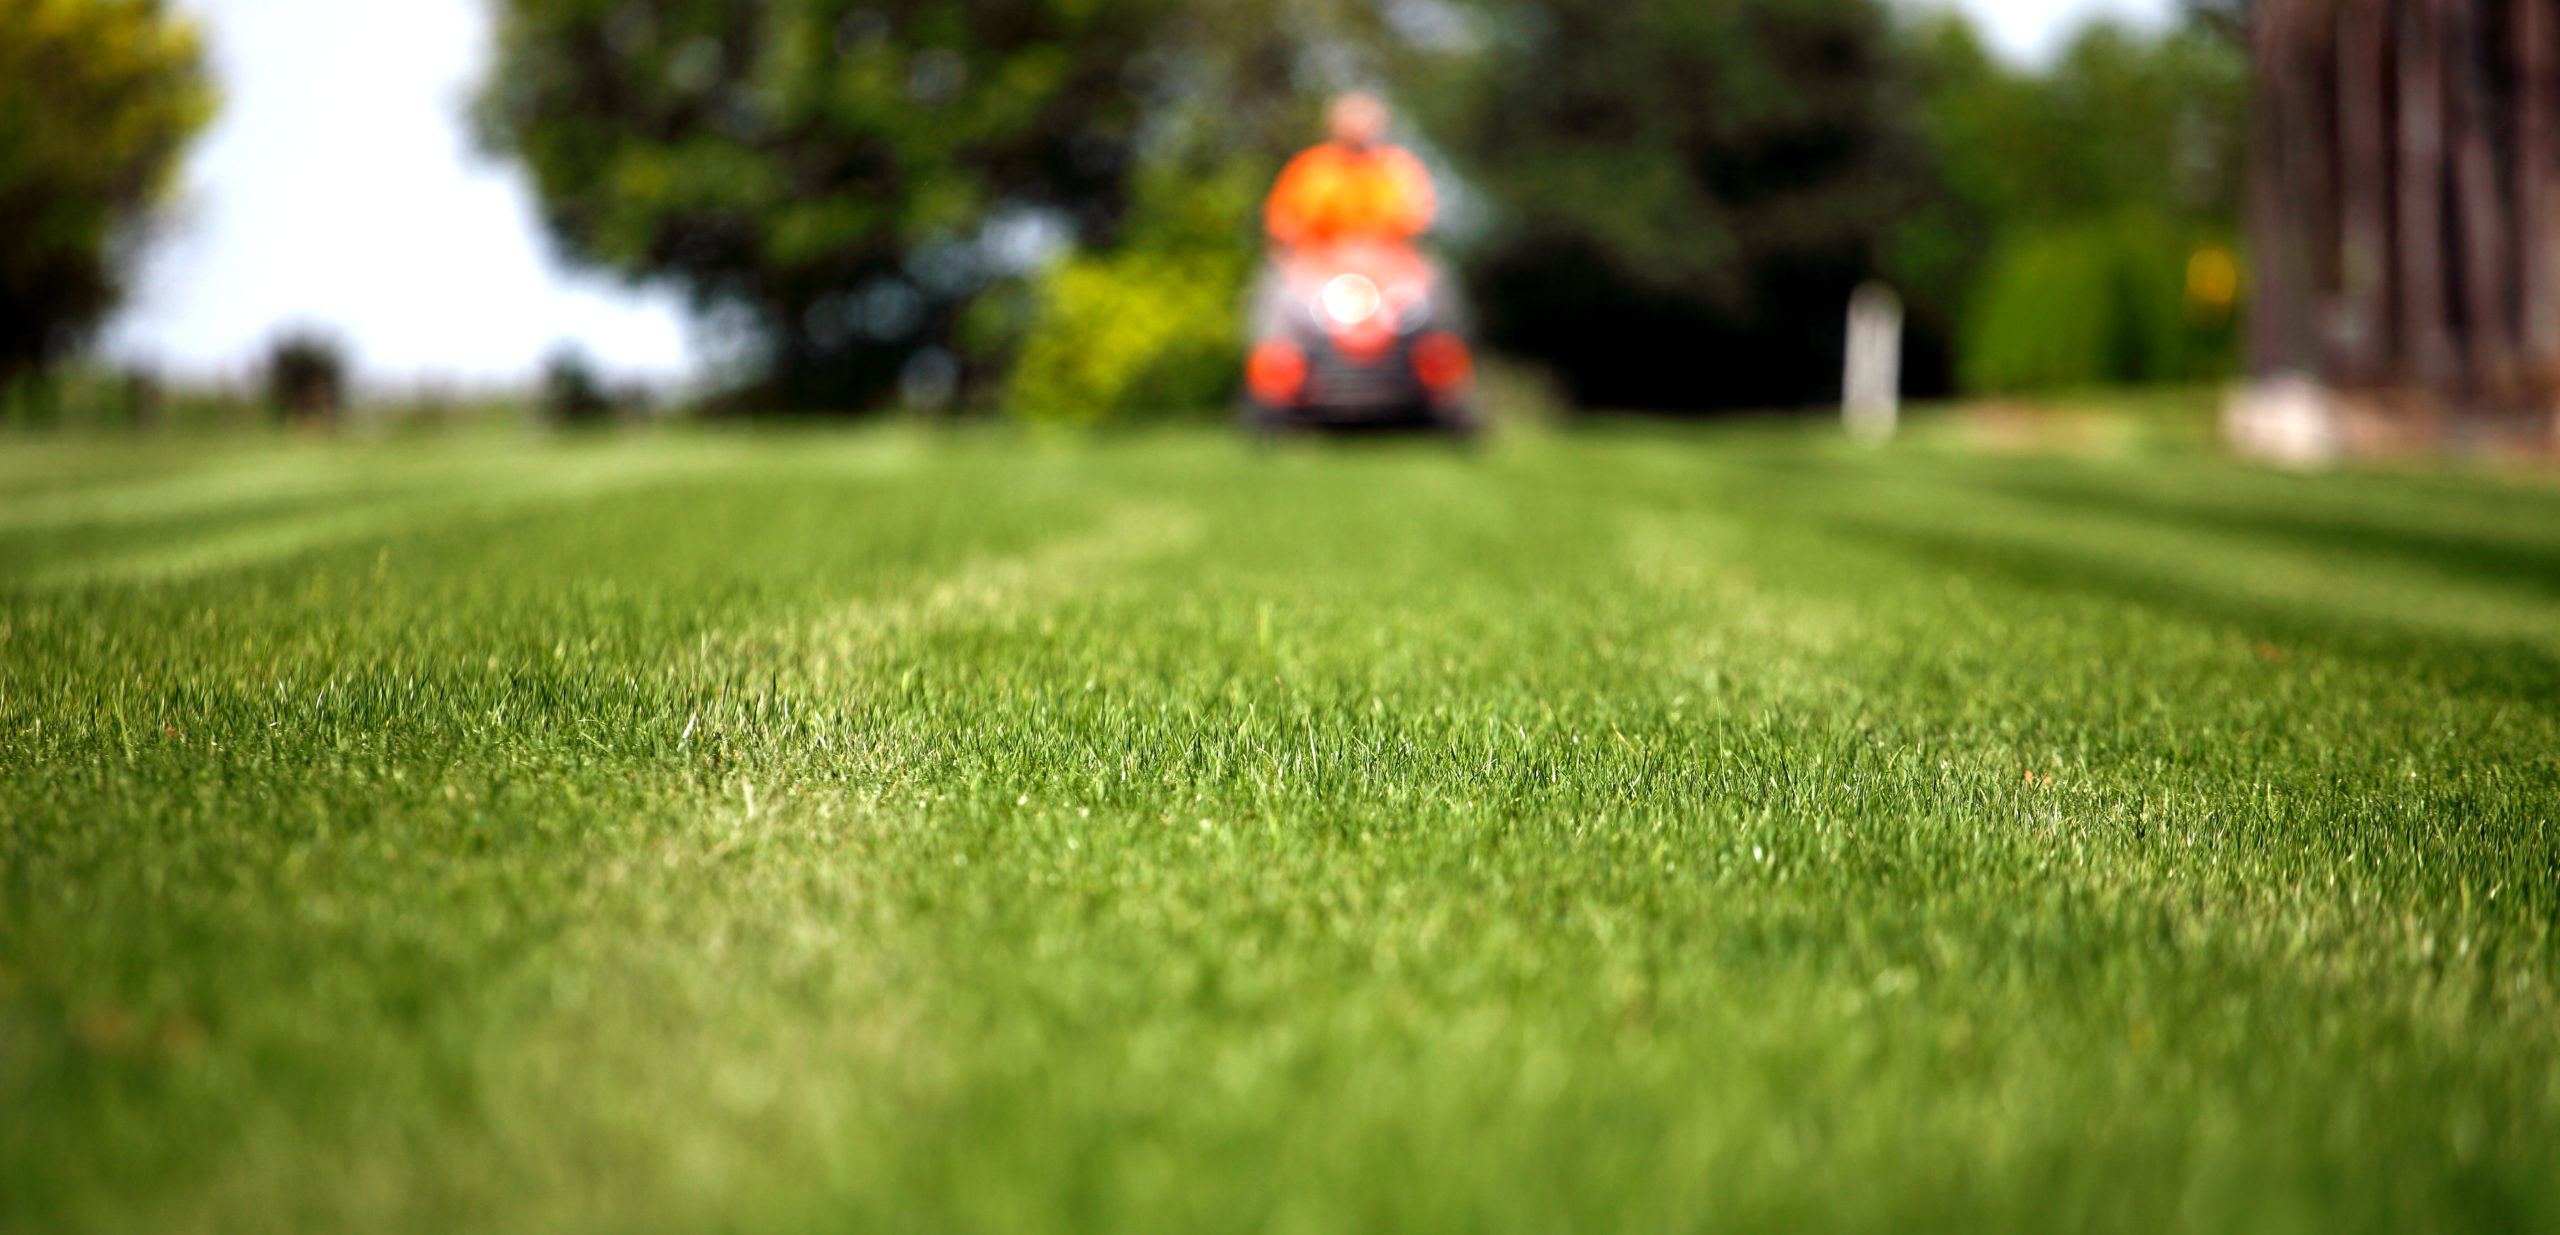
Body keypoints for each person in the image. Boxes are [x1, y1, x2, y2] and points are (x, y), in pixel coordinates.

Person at [1263, 93, 1436, 254]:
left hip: (1386, 264)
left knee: (1426, 284)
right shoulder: (1312, 167)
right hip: (1320, 262)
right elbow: (1283, 223)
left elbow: (1417, 220)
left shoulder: (1398, 168)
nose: (1359, 131)